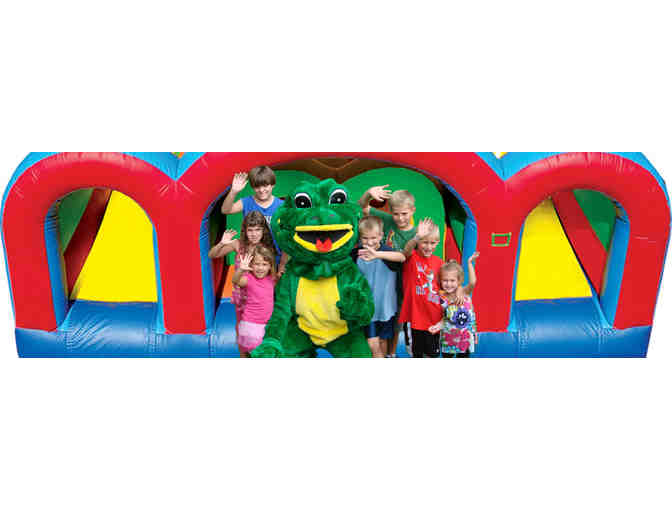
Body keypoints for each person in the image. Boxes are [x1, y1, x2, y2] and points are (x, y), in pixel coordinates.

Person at [358, 186, 418, 356]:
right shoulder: (387, 221)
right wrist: (368, 194)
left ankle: (391, 354)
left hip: (404, 279)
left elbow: (405, 257)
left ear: (412, 210)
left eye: (404, 214)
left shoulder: (416, 233)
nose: (400, 218)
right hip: (386, 277)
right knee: (386, 318)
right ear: (391, 212)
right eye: (396, 214)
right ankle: (387, 354)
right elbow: (363, 208)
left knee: (396, 320)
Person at [208, 211, 277, 355]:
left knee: (264, 337)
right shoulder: (238, 244)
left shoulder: (267, 248)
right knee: (242, 334)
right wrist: (222, 243)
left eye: (257, 230)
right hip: (242, 297)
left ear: (263, 231)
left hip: (260, 297)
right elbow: (212, 254)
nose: (254, 234)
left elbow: (271, 275)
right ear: (245, 231)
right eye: (250, 230)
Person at [354, 216, 406, 357]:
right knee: (372, 343)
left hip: (386, 309)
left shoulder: (387, 253)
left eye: (373, 238)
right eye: (365, 238)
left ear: (381, 236)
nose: (369, 242)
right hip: (368, 309)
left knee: (383, 341)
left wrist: (377, 255)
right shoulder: (356, 254)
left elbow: (402, 257)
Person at [220, 165, 287, 274]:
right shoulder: (246, 202)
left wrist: (282, 264)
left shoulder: (282, 206)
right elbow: (225, 210)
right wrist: (233, 191)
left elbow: (286, 238)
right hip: (252, 260)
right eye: (257, 187)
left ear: (273, 184)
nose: (261, 190)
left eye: (265, 185)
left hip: (275, 259)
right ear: (252, 187)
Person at [397, 218, 444, 358]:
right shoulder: (411, 257)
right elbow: (406, 251)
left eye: (432, 243)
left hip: (434, 319)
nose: (428, 247)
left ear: (438, 242)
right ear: (418, 242)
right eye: (424, 242)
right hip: (414, 318)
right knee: (416, 354)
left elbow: (446, 287)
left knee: (432, 355)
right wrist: (417, 237)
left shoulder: (439, 262)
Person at [429, 253, 479, 358]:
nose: (448, 284)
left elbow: (473, 282)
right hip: (448, 338)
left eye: (452, 281)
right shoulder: (441, 297)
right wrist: (437, 326)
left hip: (464, 338)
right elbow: (444, 319)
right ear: (440, 281)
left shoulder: (464, 293)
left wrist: (470, 263)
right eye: (445, 280)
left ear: (459, 281)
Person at [231, 245, 276, 357]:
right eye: (257, 264)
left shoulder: (271, 279)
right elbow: (235, 280)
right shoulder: (249, 279)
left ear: (270, 266)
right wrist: (241, 270)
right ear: (251, 265)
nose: (260, 268)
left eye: (264, 264)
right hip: (252, 327)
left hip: (266, 326)